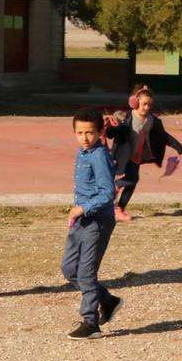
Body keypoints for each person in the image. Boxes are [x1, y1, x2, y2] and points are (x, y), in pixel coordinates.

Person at [63, 107, 124, 339]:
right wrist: (78, 211)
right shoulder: (82, 152)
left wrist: (83, 207)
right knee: (69, 269)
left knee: (86, 272)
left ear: (100, 132)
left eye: (89, 133)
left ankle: (90, 323)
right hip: (81, 219)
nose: (84, 138)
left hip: (97, 221)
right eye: (79, 133)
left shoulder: (100, 156)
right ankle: (107, 300)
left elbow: (108, 193)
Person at [105, 84, 182, 221]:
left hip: (137, 157)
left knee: (133, 182)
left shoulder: (152, 120)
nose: (146, 107)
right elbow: (113, 133)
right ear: (135, 102)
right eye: (144, 104)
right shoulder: (126, 118)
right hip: (122, 156)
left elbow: (163, 136)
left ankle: (119, 208)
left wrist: (178, 146)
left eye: (149, 105)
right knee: (128, 180)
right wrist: (109, 128)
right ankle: (114, 196)